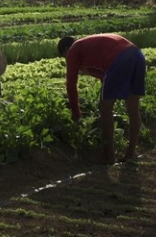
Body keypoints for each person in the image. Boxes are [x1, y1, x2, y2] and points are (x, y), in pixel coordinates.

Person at [57, 33, 146, 164]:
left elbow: (70, 85)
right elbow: (104, 75)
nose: (67, 60)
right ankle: (131, 153)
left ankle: (108, 155)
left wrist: (76, 113)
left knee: (105, 109)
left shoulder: (73, 50)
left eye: (65, 57)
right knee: (133, 108)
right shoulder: (87, 46)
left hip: (120, 58)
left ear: (66, 50)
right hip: (137, 55)